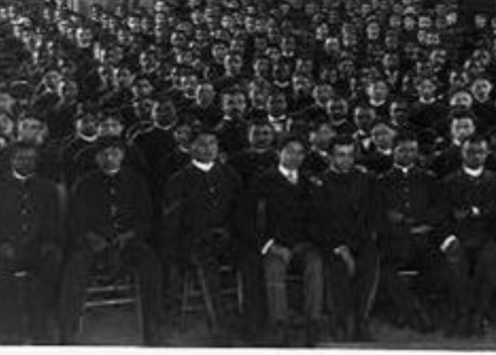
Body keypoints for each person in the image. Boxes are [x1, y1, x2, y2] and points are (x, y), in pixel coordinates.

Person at [58, 135, 162, 345]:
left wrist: (131, 234)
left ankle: (152, 328)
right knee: (74, 267)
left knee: (150, 263)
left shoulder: (136, 181)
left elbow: (145, 217)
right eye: (104, 154)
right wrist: (91, 237)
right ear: (96, 158)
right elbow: (75, 221)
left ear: (122, 156)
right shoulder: (84, 183)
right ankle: (68, 329)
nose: (109, 158)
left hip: (128, 240)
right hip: (93, 242)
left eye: (114, 153)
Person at [239, 134, 323, 346]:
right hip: (276, 245)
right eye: (289, 151)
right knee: (273, 268)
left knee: (316, 264)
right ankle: (280, 324)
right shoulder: (262, 180)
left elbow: (318, 218)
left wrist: (313, 241)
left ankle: (312, 322)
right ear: (279, 153)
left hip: (304, 245)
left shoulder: (309, 182)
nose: (295, 157)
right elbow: (246, 220)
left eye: (299, 153)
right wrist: (270, 245)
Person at [162, 128, 242, 339]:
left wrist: (229, 230)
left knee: (250, 258)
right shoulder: (179, 179)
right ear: (190, 148)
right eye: (202, 144)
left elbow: (240, 210)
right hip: (194, 241)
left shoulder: (228, 173)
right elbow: (173, 221)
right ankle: (219, 326)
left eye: (212, 143)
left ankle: (253, 321)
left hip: (226, 236)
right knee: (208, 263)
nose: (208, 149)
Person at [438, 135, 496, 337]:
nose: (475, 156)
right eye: (470, 151)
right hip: (459, 236)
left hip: (488, 236)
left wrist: (475, 212)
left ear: (487, 154)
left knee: (489, 262)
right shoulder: (449, 181)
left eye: (480, 151)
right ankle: (462, 314)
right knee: (455, 264)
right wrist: (448, 237)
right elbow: (443, 215)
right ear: (462, 153)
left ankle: (478, 315)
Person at [307, 135, 379, 341]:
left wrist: (362, 239)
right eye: (340, 155)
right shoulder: (319, 182)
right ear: (331, 157)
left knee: (369, 260)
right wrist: (340, 246)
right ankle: (340, 321)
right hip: (332, 241)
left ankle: (361, 319)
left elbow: (373, 215)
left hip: (360, 239)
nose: (346, 160)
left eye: (349, 155)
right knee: (338, 266)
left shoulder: (366, 179)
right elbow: (317, 222)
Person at [374, 131, 443, 333]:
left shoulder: (428, 178)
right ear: (393, 152)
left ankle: (406, 309)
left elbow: (438, 209)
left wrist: (425, 225)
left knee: (438, 265)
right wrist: (400, 226)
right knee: (386, 270)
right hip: (394, 240)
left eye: (412, 150)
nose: (408, 154)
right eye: (402, 150)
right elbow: (378, 215)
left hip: (423, 238)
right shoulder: (381, 181)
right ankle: (414, 311)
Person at [0, 142, 62, 343]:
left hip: (37, 247)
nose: (26, 162)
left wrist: (47, 242)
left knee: (53, 257)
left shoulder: (47, 188)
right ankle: (11, 327)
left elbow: (53, 221)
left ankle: (40, 323)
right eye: (21, 158)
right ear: (11, 160)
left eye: (31, 159)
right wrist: (2, 243)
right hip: (7, 247)